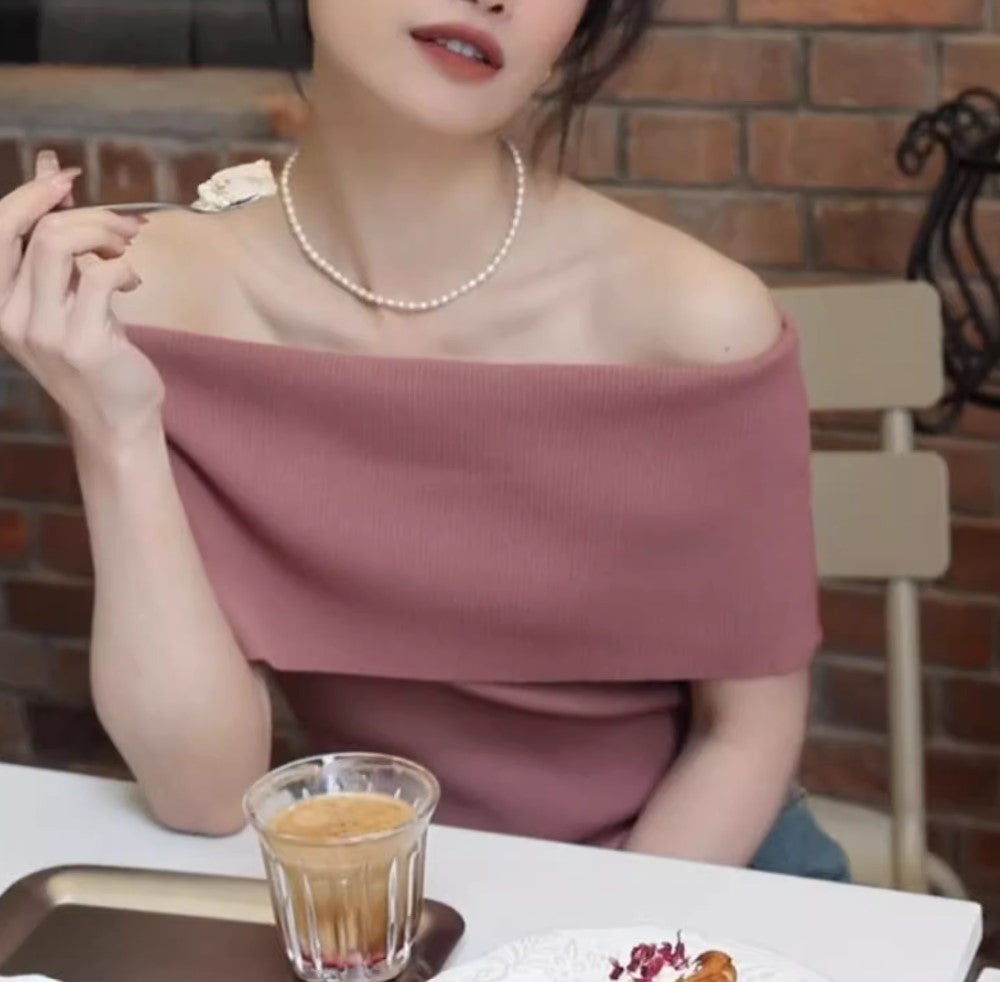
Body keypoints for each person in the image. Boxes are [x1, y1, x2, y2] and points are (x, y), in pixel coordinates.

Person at [0, 0, 848, 880]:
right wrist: (117, 430)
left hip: (696, 887)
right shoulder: (153, 298)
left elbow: (745, 737)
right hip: (388, 891)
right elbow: (206, 793)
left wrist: (581, 944)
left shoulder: (694, 321)